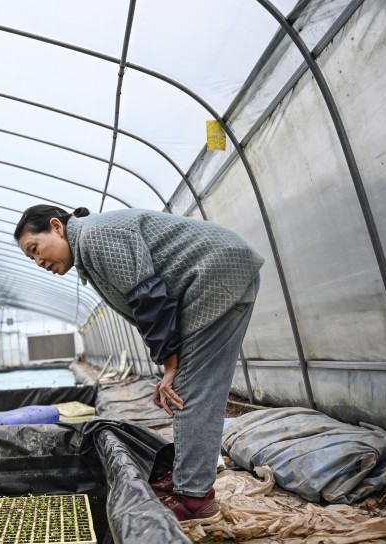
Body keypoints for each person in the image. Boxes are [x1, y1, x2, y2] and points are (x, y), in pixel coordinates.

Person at [14, 205, 263, 521]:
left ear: (57, 227)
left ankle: (194, 497)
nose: (38, 261)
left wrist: (171, 369)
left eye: (35, 249)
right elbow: (150, 307)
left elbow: (150, 300)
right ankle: (187, 477)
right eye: (30, 258)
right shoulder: (89, 249)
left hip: (216, 276)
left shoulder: (95, 236)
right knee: (188, 386)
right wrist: (169, 367)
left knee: (191, 390)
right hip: (213, 279)